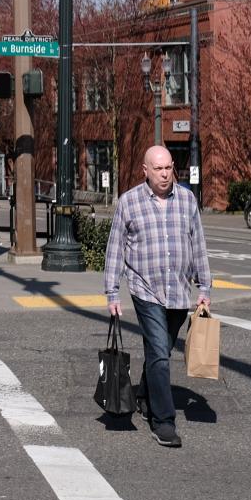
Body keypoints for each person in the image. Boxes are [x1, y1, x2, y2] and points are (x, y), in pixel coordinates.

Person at [103, 144, 211, 448]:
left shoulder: (187, 200)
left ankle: (142, 395)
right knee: (161, 354)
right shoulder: (129, 202)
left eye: (168, 168)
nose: (165, 174)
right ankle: (163, 421)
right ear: (145, 171)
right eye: (158, 169)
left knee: (157, 350)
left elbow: (198, 244)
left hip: (179, 291)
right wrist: (112, 292)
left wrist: (205, 288)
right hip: (145, 288)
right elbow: (115, 249)